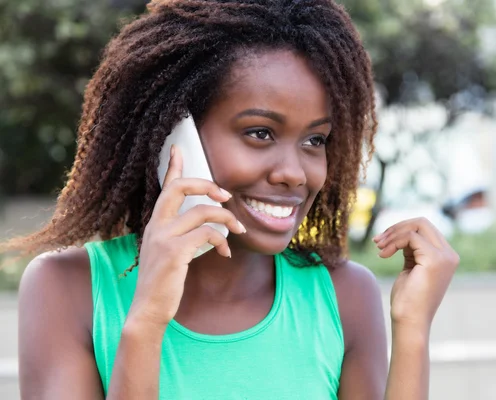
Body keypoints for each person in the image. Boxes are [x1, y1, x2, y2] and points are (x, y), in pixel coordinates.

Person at [3, 0, 459, 398]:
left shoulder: (344, 297)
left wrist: (413, 329)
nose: (293, 173)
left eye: (315, 140)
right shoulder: (67, 290)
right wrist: (146, 321)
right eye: (260, 133)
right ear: (173, 137)